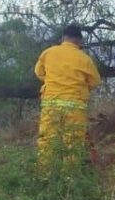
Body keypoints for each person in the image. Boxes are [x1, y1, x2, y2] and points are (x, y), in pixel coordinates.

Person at [33, 24, 101, 166]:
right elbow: (95, 82)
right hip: (74, 108)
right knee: (73, 143)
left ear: (63, 38)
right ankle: (70, 179)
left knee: (47, 142)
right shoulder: (84, 59)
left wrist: (54, 81)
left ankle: (46, 177)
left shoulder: (48, 53)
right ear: (80, 41)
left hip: (50, 106)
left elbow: (39, 72)